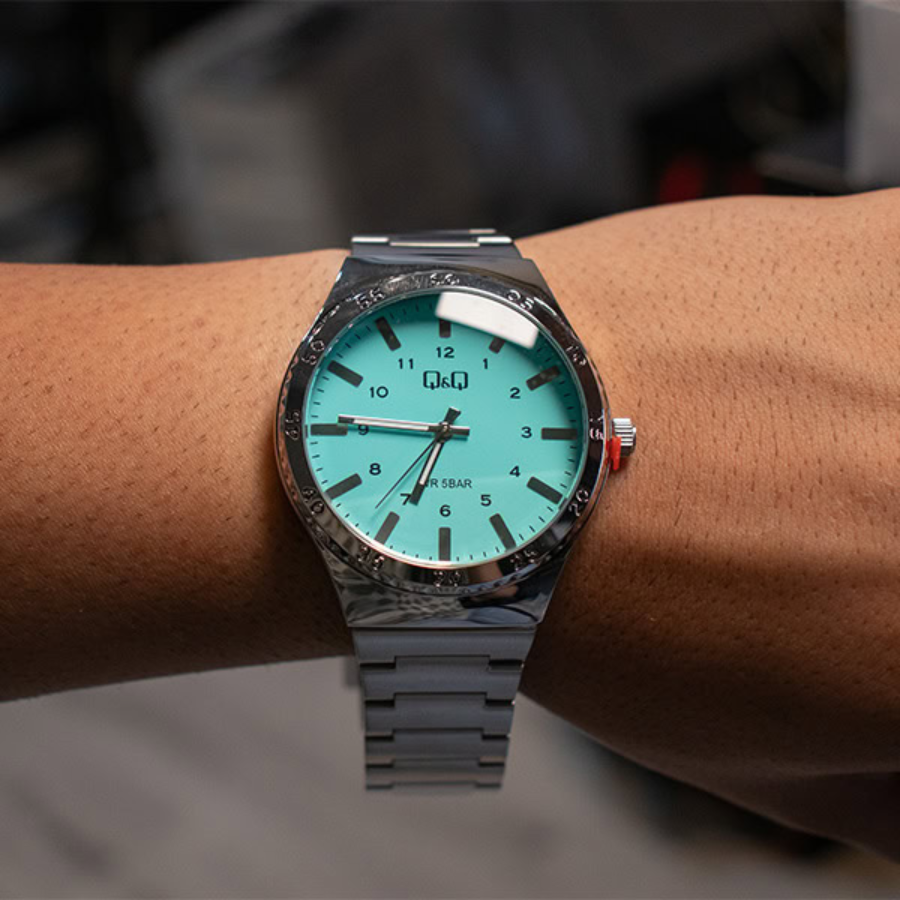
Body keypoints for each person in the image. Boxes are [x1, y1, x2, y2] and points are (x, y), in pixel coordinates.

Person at [0, 191, 897, 861]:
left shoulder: (574, 434)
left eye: (450, 427)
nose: (441, 431)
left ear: (609, 442)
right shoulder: (343, 407)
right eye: (434, 428)